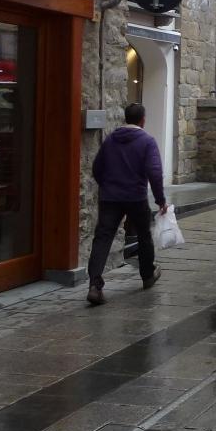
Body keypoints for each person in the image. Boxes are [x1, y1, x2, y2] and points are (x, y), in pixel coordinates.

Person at [87, 102, 167, 305]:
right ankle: (147, 275)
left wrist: (107, 185)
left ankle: (95, 286)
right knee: (144, 235)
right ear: (143, 120)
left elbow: (97, 167)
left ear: (125, 118)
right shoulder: (147, 141)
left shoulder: (110, 139)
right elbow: (155, 172)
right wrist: (160, 200)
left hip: (110, 197)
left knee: (102, 238)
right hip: (135, 197)